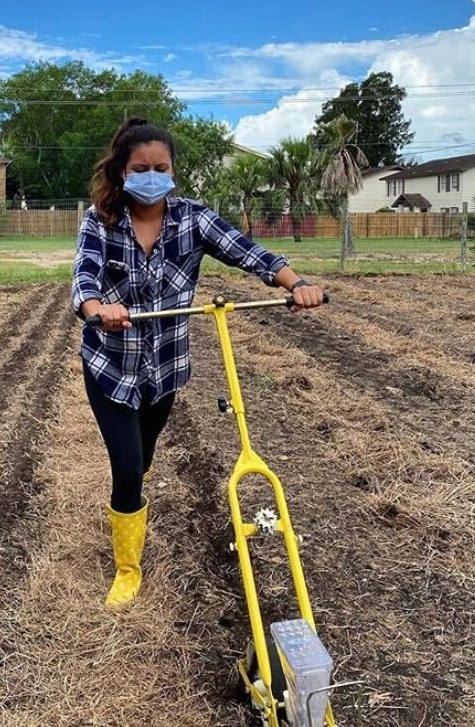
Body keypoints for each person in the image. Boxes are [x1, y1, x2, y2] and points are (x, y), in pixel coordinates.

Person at [72, 117, 324, 608]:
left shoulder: (194, 219)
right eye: (140, 167)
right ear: (122, 172)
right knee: (127, 468)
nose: (151, 175)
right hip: (110, 366)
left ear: (173, 171)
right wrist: (97, 309)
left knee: (143, 460)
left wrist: (296, 284)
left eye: (160, 167)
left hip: (165, 368)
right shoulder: (99, 220)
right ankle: (127, 569)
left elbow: (248, 252)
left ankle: (132, 499)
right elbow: (84, 277)